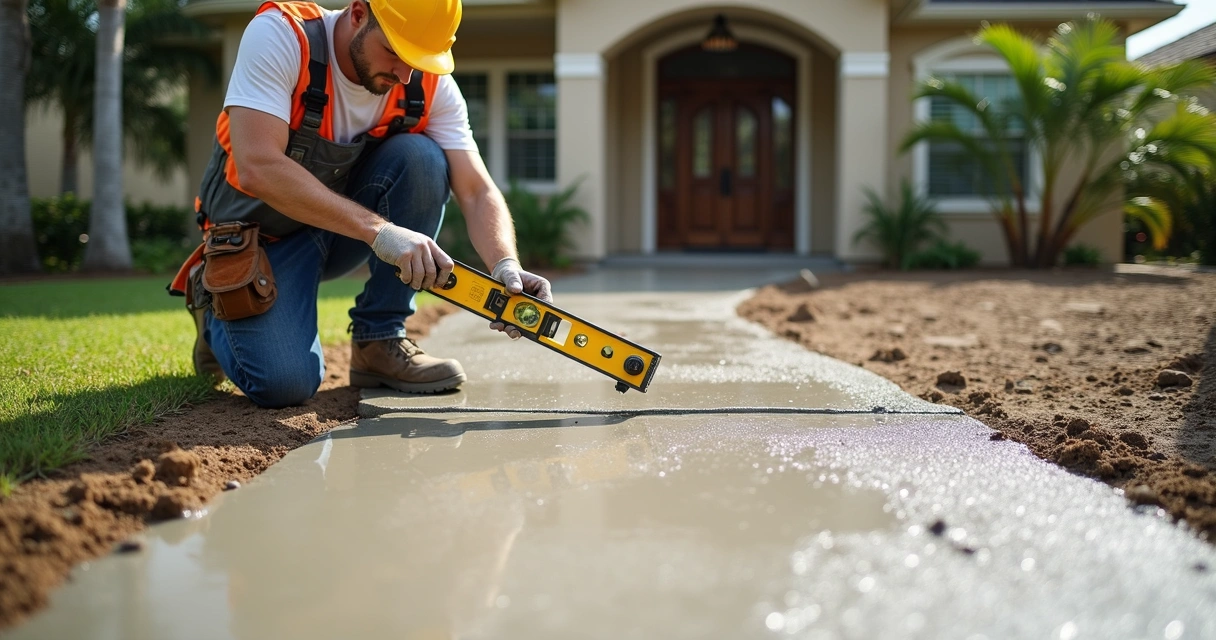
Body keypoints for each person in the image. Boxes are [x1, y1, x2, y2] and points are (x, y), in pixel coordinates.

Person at [170, 0, 551, 408]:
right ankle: (214, 309)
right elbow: (257, 166)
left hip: (339, 234)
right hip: (259, 242)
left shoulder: (427, 82)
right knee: (284, 384)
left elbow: (476, 190)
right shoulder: (283, 35)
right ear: (357, 14)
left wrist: (506, 264)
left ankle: (379, 341)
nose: (406, 74)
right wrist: (380, 231)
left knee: (422, 158)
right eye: (396, 53)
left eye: (419, 59)